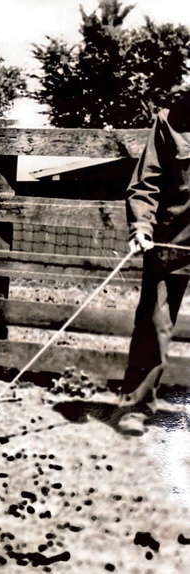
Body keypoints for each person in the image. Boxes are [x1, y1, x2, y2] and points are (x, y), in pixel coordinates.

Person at [110, 89, 190, 434]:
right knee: (153, 321)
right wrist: (142, 225)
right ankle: (136, 405)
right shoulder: (170, 119)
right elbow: (146, 183)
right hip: (173, 237)